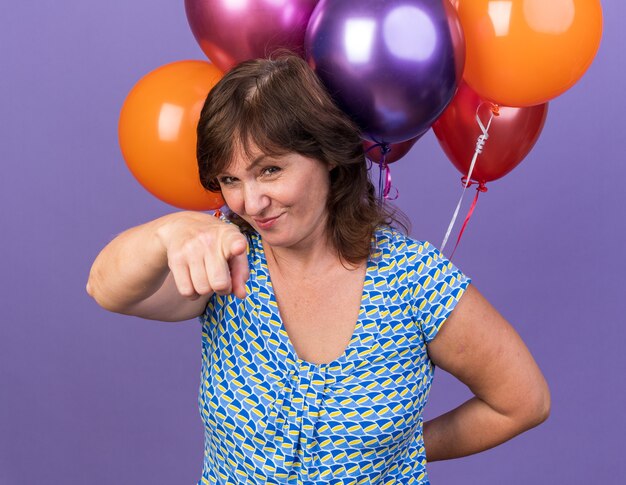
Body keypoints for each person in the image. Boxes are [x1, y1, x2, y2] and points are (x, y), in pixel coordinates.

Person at [87, 55, 550, 484]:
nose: (250, 202)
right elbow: (106, 289)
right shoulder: (225, 261)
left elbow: (522, 402)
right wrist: (167, 232)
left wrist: (404, 451)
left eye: (270, 170)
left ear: (328, 155)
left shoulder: (414, 281)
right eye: (231, 179)